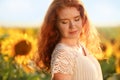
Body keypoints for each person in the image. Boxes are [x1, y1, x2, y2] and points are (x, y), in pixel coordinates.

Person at [36, 0, 103, 80]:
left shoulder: (80, 46)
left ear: (83, 19)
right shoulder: (63, 55)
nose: (72, 26)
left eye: (76, 19)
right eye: (64, 22)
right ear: (54, 25)